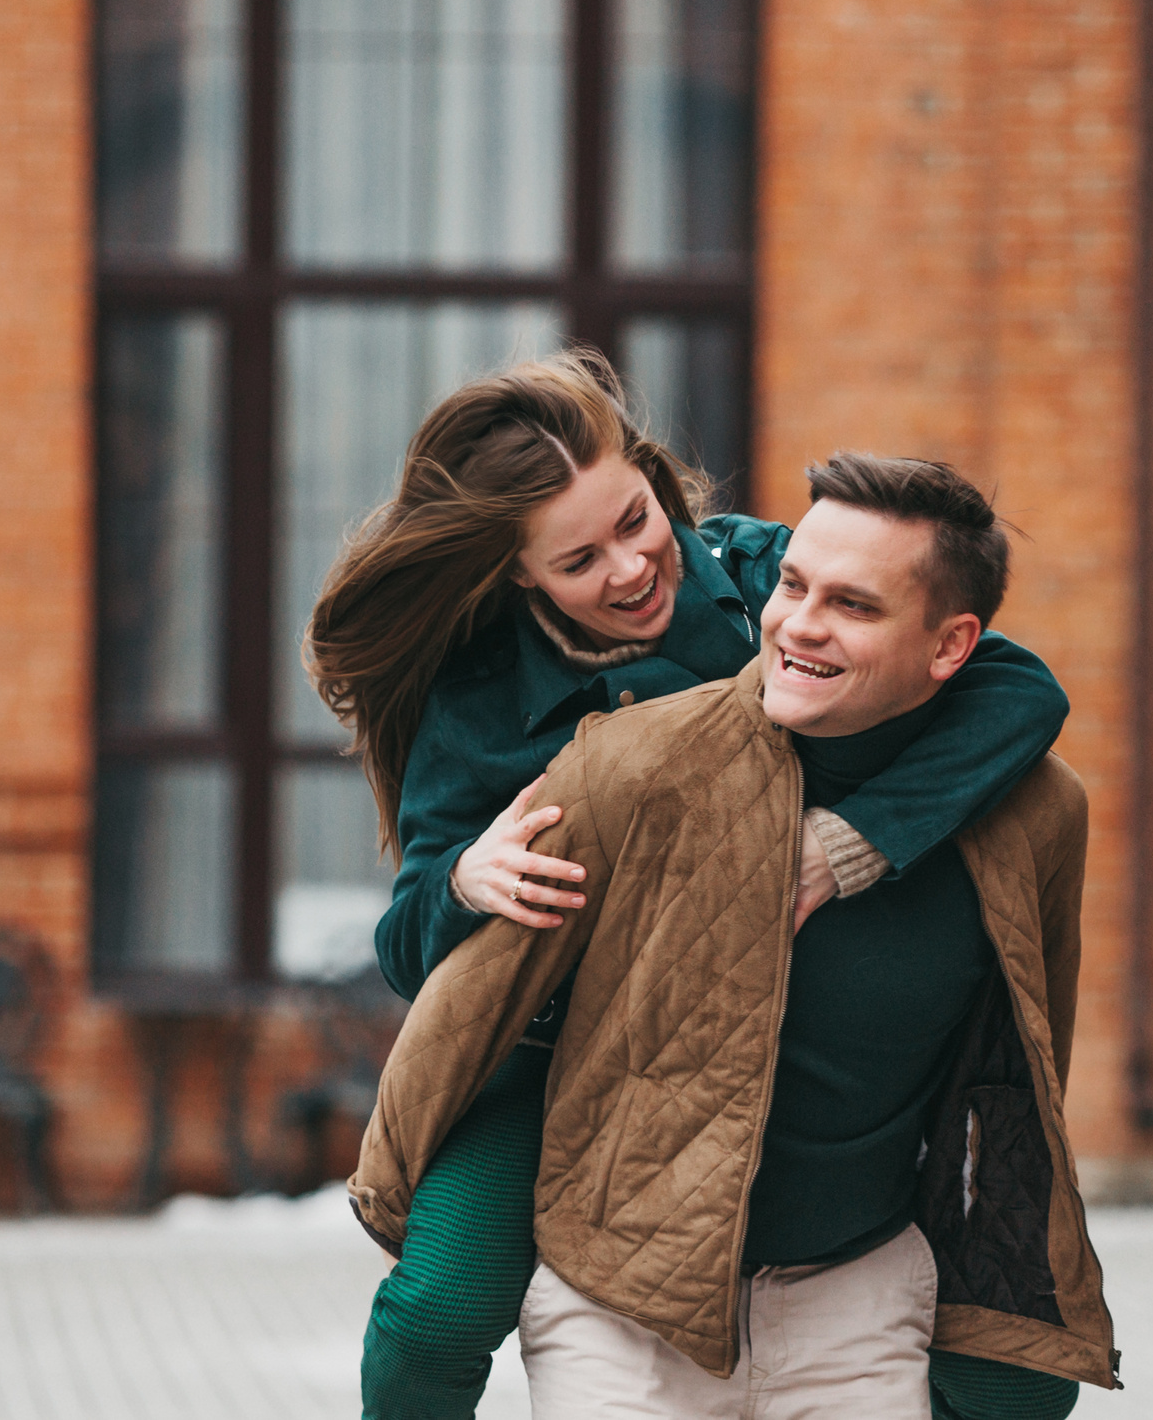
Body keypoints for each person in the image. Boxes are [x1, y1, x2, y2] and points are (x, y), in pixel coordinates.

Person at [306, 354, 1072, 1419]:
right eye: (579, 560)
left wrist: (848, 843)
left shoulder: (763, 578)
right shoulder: (479, 698)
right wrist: (463, 881)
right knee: (435, 1312)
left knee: (1015, 1355)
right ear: (520, 575)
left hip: (745, 1023)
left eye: (635, 519)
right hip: (554, 1046)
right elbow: (407, 950)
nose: (629, 568)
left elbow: (1019, 689)